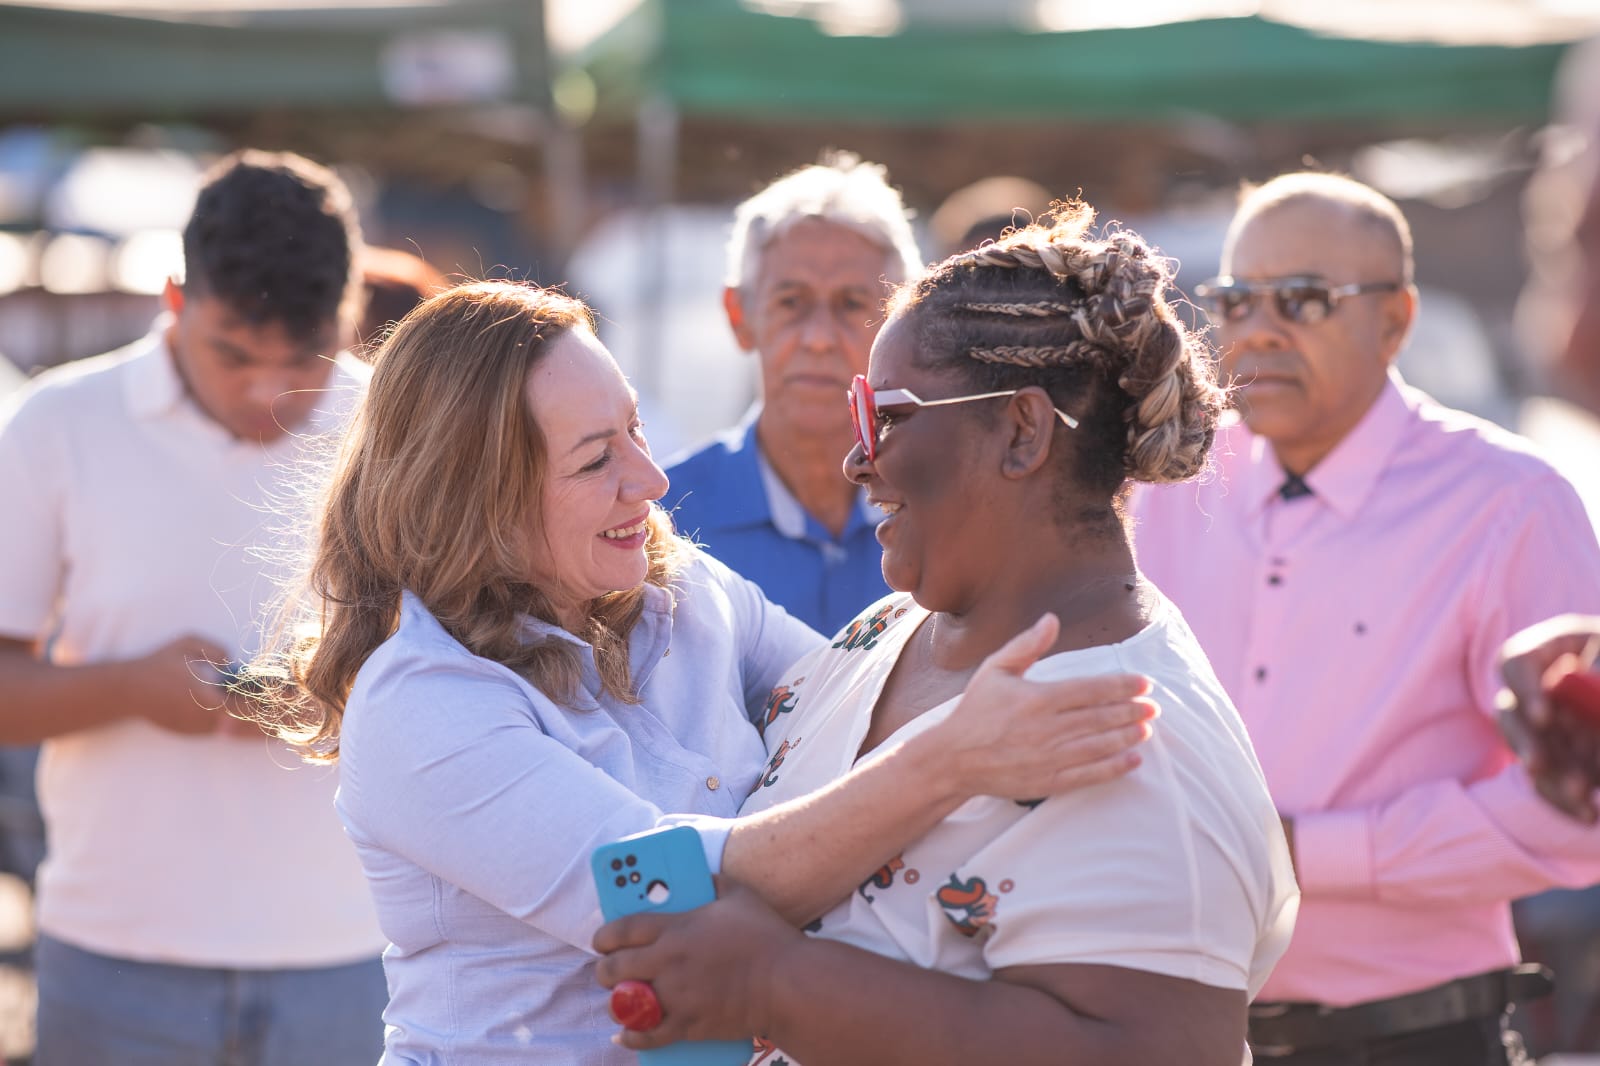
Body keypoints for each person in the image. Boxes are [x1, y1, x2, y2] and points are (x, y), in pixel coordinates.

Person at [260, 278, 1162, 1064]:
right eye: (595, 459)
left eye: (635, 428)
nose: (650, 481)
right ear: (473, 498)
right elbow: (673, 895)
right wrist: (953, 759)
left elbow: (855, 706)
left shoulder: (675, 583)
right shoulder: (418, 704)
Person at [593, 206, 1299, 1066]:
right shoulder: (887, 632)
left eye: (883, 414)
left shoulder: (1130, 733)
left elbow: (1156, 1050)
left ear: (1023, 431)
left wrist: (777, 982)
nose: (858, 458)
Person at [1132, 171, 1600, 1065]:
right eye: (1235, 300)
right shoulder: (1166, 490)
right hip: (1183, 1035)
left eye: (1303, 300)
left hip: (1417, 1038)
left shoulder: (1511, 504)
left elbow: (1581, 818)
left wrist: (1310, 853)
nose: (1257, 329)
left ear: (1396, 321)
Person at [0, 150, 387, 1064]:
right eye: (233, 355)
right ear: (173, 298)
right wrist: (134, 688)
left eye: (302, 360)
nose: (264, 392)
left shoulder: (398, 432)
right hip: (115, 954)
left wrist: (335, 692)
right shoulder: (56, 424)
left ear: (352, 312)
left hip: (354, 951)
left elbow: (482, 661)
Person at [664, 152, 923, 634]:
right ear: (740, 315)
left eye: (851, 304)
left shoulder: (946, 511)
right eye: (791, 302)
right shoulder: (663, 521)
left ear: (900, 326)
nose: (818, 337)